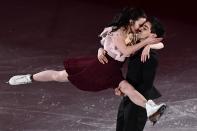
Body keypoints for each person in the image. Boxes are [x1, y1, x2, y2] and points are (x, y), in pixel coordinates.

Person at [7, 8, 166, 124]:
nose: (141, 27)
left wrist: (147, 45)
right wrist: (145, 43)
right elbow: (124, 49)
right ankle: (28, 78)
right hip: (102, 66)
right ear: (131, 22)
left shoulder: (134, 36)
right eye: (141, 24)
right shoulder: (117, 31)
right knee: (60, 76)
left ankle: (150, 108)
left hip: (112, 68)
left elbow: (159, 45)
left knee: (127, 89)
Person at [98, 16, 166, 130]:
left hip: (137, 102)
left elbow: (146, 86)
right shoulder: (134, 45)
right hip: (129, 97)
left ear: (152, 36)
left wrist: (130, 93)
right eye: (141, 26)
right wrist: (100, 51)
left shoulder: (149, 57)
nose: (139, 29)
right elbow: (111, 46)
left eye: (145, 28)